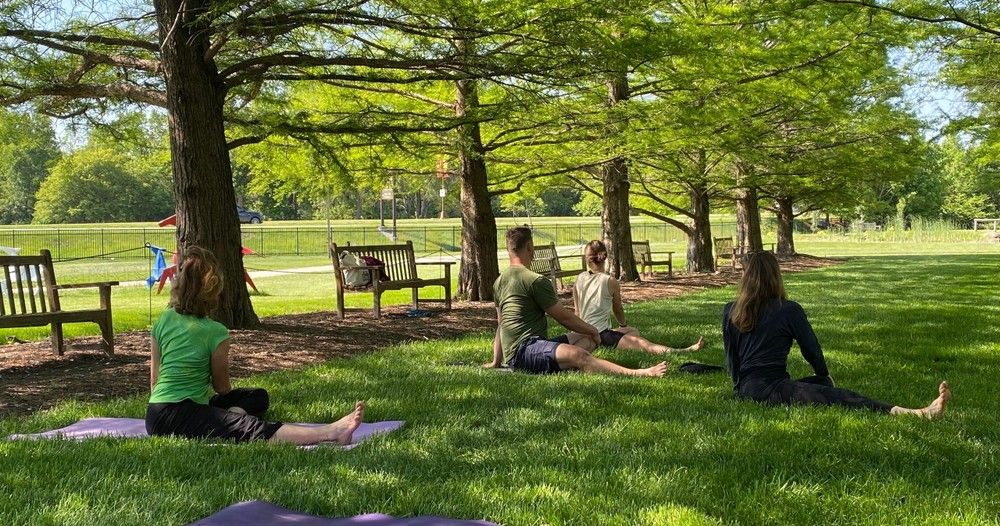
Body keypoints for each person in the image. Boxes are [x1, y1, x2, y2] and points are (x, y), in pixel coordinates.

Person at [146, 246, 366, 444]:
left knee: (257, 395)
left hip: (156, 411)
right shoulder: (215, 332)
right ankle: (330, 433)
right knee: (252, 429)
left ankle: (231, 416)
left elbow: (155, 381)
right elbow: (222, 387)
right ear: (212, 290)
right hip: (177, 415)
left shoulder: (164, 319)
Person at [722, 251, 950, 418]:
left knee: (818, 386)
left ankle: (820, 385)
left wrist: (739, 389)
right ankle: (915, 413)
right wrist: (824, 374)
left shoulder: (730, 310)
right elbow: (811, 349)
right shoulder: (788, 309)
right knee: (838, 395)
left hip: (749, 388)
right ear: (776, 276)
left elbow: (732, 360)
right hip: (770, 389)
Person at [484, 227, 668, 377]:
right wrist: (594, 330)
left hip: (526, 348)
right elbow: (564, 318)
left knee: (584, 338)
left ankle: (564, 363)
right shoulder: (535, 280)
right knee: (579, 354)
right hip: (525, 351)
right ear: (530, 247)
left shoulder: (499, 281)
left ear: (509, 249)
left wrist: (496, 361)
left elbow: (501, 325)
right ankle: (640, 373)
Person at [568, 240, 705, 354]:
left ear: (587, 259)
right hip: (601, 334)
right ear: (604, 256)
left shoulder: (580, 278)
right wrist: (622, 325)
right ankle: (683, 350)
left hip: (582, 329)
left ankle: (601, 343)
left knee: (634, 331)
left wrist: (577, 332)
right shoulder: (609, 281)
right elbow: (618, 309)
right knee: (641, 342)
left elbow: (577, 312)